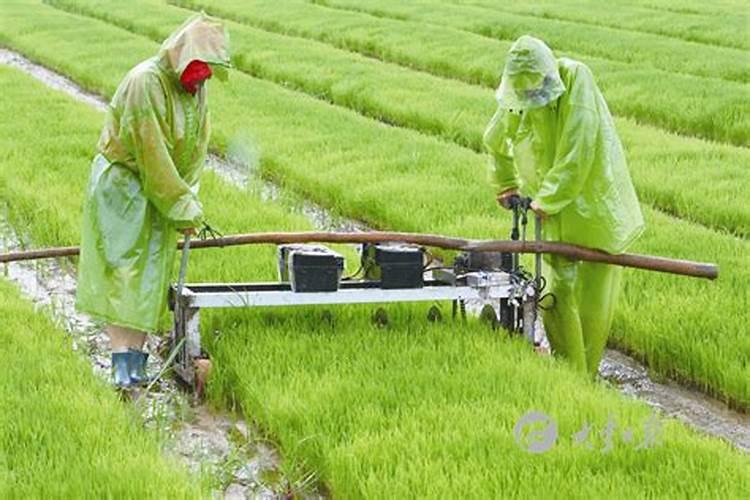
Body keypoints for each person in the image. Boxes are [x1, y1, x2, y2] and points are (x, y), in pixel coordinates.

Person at [76, 13, 231, 388]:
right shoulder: (146, 83)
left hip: (160, 191)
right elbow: (152, 155)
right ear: (181, 56)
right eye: (199, 67)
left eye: (209, 69)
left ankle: (138, 362)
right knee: (124, 270)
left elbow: (196, 144)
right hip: (126, 188)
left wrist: (187, 193)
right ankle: (120, 365)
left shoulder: (193, 87)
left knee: (151, 273)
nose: (204, 75)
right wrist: (181, 205)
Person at [483, 35, 644, 375]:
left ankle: (586, 374)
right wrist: (506, 183)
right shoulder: (519, 94)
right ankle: (569, 371)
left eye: (536, 89)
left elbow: (578, 148)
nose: (532, 97)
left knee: (592, 299)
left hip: (597, 210)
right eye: (525, 92)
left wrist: (549, 197)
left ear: (548, 74)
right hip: (553, 213)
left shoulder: (575, 79)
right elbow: (495, 139)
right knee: (556, 293)